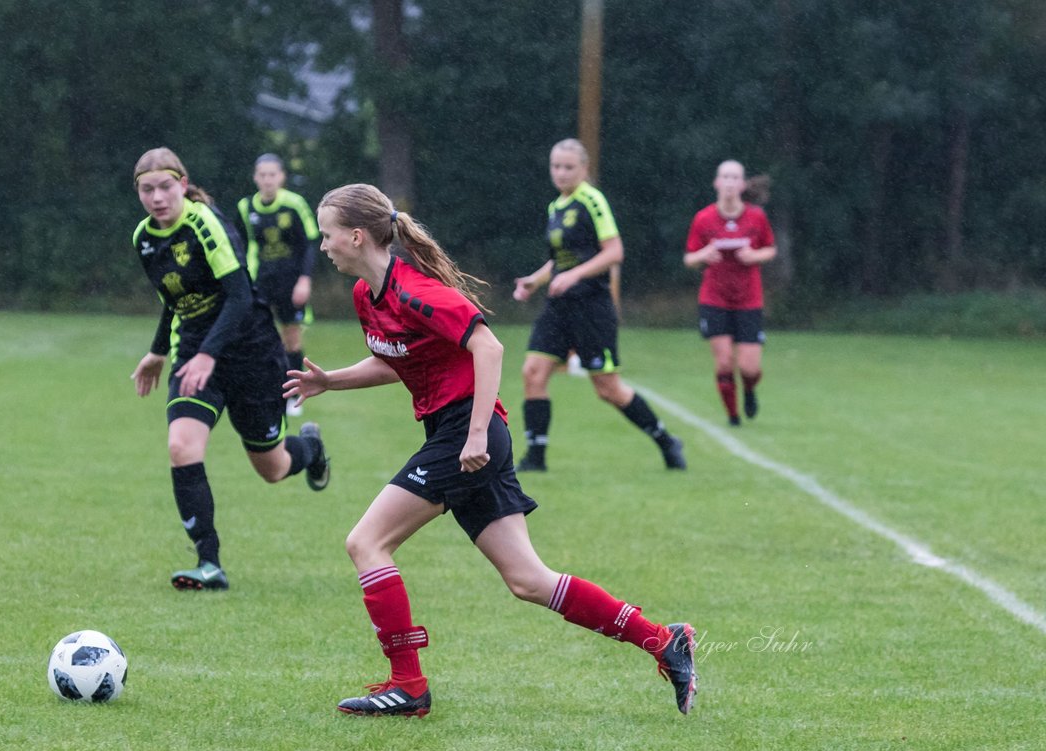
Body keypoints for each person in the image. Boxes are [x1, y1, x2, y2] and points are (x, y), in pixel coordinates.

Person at [284, 183, 697, 717]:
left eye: (327, 235)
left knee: (366, 543)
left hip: (466, 437)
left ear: (356, 235)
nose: (323, 246)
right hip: (457, 436)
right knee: (529, 580)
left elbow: (488, 345)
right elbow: (397, 360)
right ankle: (665, 642)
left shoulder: (414, 290)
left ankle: (408, 685)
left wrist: (476, 433)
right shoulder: (369, 295)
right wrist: (331, 381)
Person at [128, 147, 330, 592]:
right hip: (197, 352)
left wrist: (209, 355)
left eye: (165, 186)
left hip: (253, 352)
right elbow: (173, 300)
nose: (157, 197)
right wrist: (159, 351)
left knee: (273, 468)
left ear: (182, 184)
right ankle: (209, 563)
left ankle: (311, 450)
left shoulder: (206, 223)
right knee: (182, 445)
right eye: (147, 189)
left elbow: (239, 298)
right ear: (139, 193)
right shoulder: (145, 238)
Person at [513, 139, 686, 472]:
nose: (561, 173)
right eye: (556, 166)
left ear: (584, 169)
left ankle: (666, 440)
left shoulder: (592, 201)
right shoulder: (556, 207)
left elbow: (614, 252)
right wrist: (537, 280)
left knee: (607, 389)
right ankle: (535, 458)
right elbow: (560, 263)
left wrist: (575, 276)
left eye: (568, 167)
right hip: (559, 307)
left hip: (591, 307)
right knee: (532, 373)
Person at [683, 159, 777, 426]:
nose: (730, 183)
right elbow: (689, 259)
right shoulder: (703, 218)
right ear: (716, 183)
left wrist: (753, 255)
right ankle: (733, 415)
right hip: (714, 298)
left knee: (749, 368)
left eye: (735, 178)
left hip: (749, 299)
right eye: (725, 177)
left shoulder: (756, 217)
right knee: (724, 363)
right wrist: (704, 255)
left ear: (743, 184)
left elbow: (770, 249)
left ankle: (748, 388)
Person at [237, 153, 321, 418]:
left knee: (291, 338)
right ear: (255, 178)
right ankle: (263, 390)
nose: (267, 180)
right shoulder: (245, 207)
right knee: (256, 336)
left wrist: (304, 280)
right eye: (262, 175)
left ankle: (294, 393)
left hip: (290, 282)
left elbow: (309, 242)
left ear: (281, 177)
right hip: (260, 282)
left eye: (272, 174)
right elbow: (242, 246)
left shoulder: (294, 205)